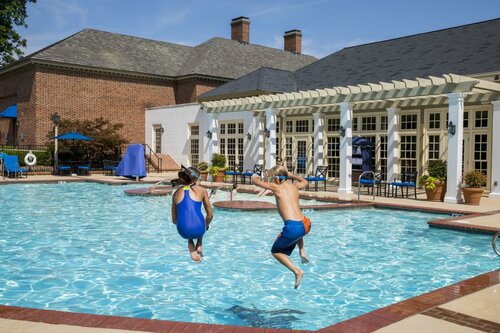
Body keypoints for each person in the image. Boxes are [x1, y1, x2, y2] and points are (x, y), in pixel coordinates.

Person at [251, 166, 310, 289]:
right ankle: (302, 251)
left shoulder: (276, 187)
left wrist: (254, 176)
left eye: (271, 178)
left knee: (276, 251)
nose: (270, 181)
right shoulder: (294, 186)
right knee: (296, 229)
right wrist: (291, 175)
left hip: (293, 228)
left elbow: (256, 182)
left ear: (277, 179)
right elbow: (305, 181)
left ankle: (296, 271)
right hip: (306, 224)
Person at [171, 165, 213, 262]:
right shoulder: (201, 190)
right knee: (202, 218)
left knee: (188, 220)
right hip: (199, 229)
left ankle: (190, 243)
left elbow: (174, 220)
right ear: (195, 180)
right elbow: (210, 215)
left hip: (183, 231)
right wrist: (205, 227)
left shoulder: (175, 193)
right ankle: (199, 242)